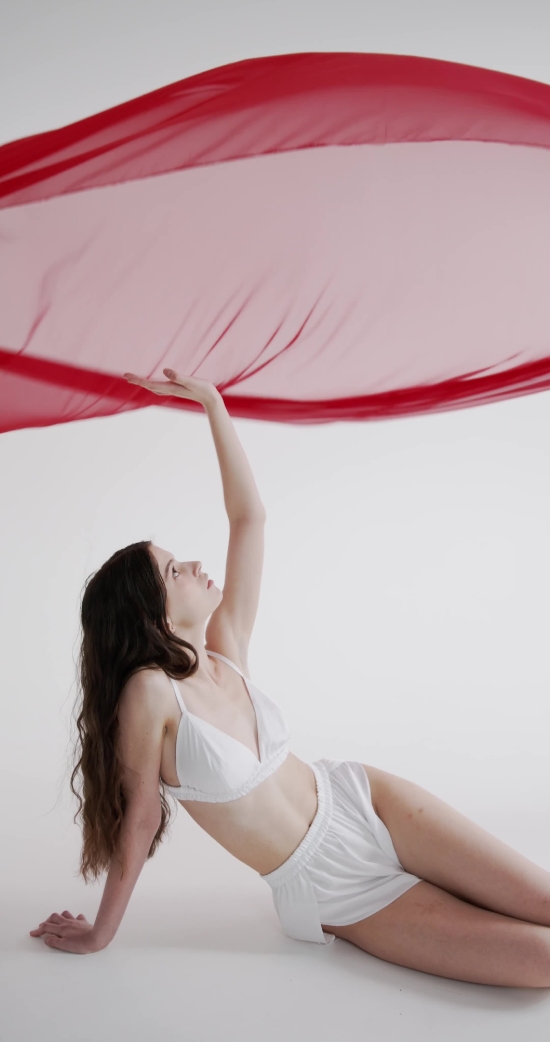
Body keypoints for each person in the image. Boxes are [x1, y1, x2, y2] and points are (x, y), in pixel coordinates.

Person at [30, 369, 550, 988]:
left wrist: (213, 405)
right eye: (173, 572)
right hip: (328, 883)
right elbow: (140, 819)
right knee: (542, 959)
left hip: (363, 800)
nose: (193, 564)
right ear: (153, 615)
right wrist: (101, 932)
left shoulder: (226, 648)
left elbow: (249, 518)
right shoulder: (151, 694)